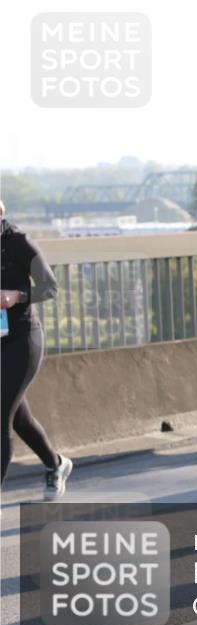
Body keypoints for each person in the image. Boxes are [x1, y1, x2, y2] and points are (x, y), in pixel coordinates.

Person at [1, 202, 73, 500]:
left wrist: (17, 296)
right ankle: (56, 464)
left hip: (22, 341)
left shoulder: (19, 242)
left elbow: (51, 288)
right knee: (20, 419)